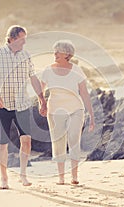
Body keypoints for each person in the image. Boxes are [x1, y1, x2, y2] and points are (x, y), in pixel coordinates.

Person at [0, 25, 47, 190]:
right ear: (12, 39)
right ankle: (4, 178)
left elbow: (33, 78)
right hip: (2, 105)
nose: (24, 42)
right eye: (22, 39)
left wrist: (41, 98)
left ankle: (23, 175)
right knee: (3, 143)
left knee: (26, 141)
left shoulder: (26, 56)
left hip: (22, 104)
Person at [41, 40, 95, 185]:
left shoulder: (76, 70)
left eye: (58, 51)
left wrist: (91, 114)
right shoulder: (47, 70)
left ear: (67, 54)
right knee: (58, 143)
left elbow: (84, 93)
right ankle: (61, 177)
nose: (55, 54)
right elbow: (41, 91)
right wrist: (42, 104)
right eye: (55, 51)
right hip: (55, 111)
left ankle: (74, 176)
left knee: (73, 140)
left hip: (75, 110)